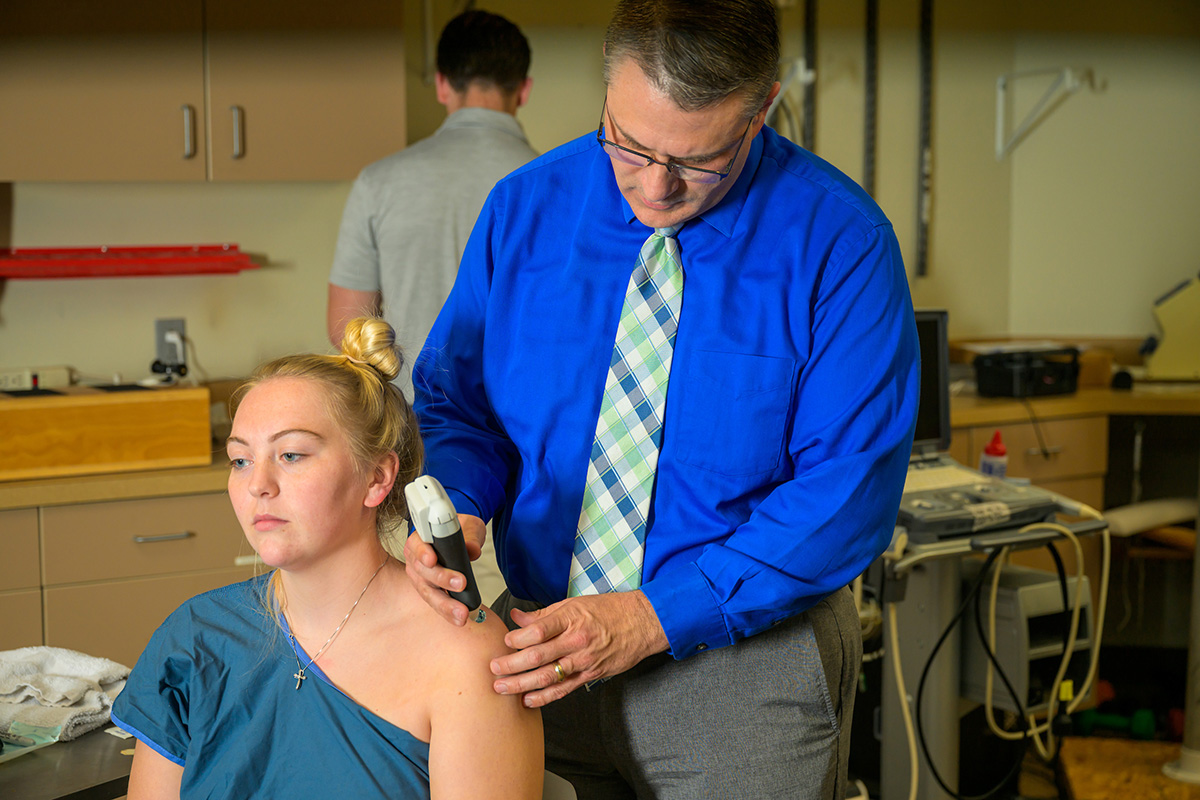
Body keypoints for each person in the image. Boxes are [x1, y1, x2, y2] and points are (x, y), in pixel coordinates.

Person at [406, 0, 920, 796]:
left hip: (742, 668)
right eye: (629, 144)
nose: (654, 185)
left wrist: (651, 617)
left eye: (697, 162)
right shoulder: (525, 209)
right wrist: (461, 504)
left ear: (761, 112)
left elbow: (846, 493)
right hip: (545, 639)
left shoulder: (841, 244)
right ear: (607, 90)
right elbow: (457, 403)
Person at [111, 318, 543, 799]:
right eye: (240, 460)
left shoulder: (467, 653)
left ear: (378, 477)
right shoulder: (196, 635)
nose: (258, 485)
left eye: (292, 455)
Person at [327, 9, 537, 400]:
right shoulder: (556, 186)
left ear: (441, 86)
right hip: (517, 431)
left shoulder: (378, 182)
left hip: (410, 423)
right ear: (523, 90)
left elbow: (347, 326)